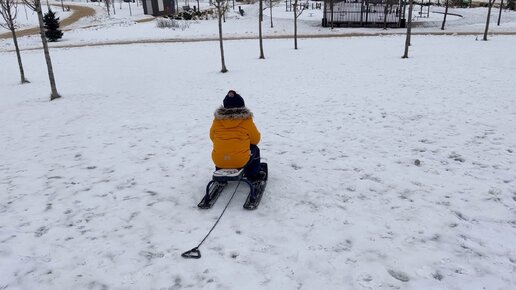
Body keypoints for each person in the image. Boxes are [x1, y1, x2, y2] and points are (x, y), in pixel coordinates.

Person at [210, 90, 264, 180]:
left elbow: (212, 137)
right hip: (240, 160)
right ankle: (253, 174)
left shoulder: (217, 120)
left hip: (219, 160)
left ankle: (221, 175)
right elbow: (255, 140)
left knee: (221, 150)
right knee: (255, 149)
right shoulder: (246, 120)